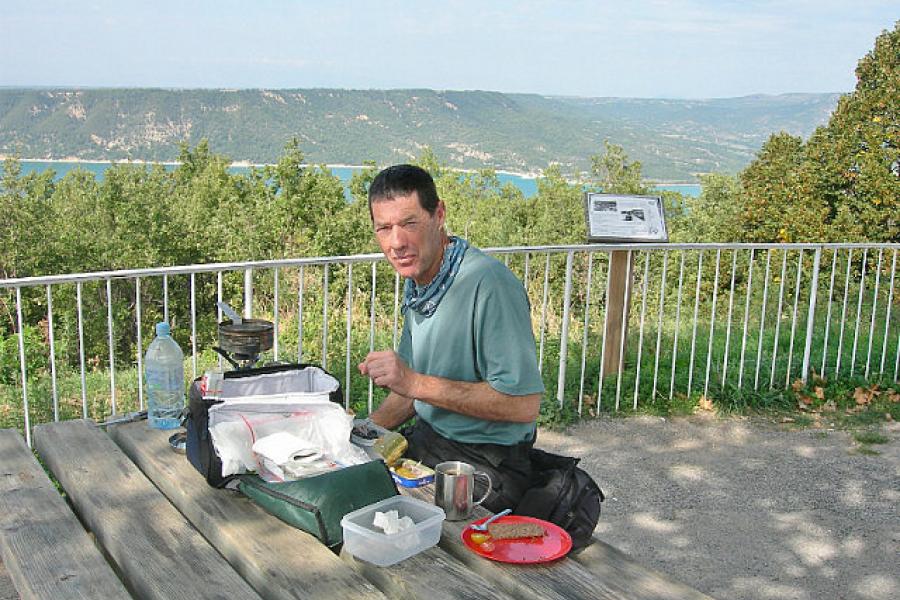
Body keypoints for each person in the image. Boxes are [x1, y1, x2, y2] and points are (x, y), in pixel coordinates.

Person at [358, 164, 545, 513]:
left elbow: (523, 404)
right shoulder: (422, 286)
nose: (397, 242)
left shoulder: (489, 284)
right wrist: (361, 434)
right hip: (431, 444)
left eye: (409, 223)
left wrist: (412, 381)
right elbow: (412, 392)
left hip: (485, 466)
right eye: (384, 228)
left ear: (438, 214)